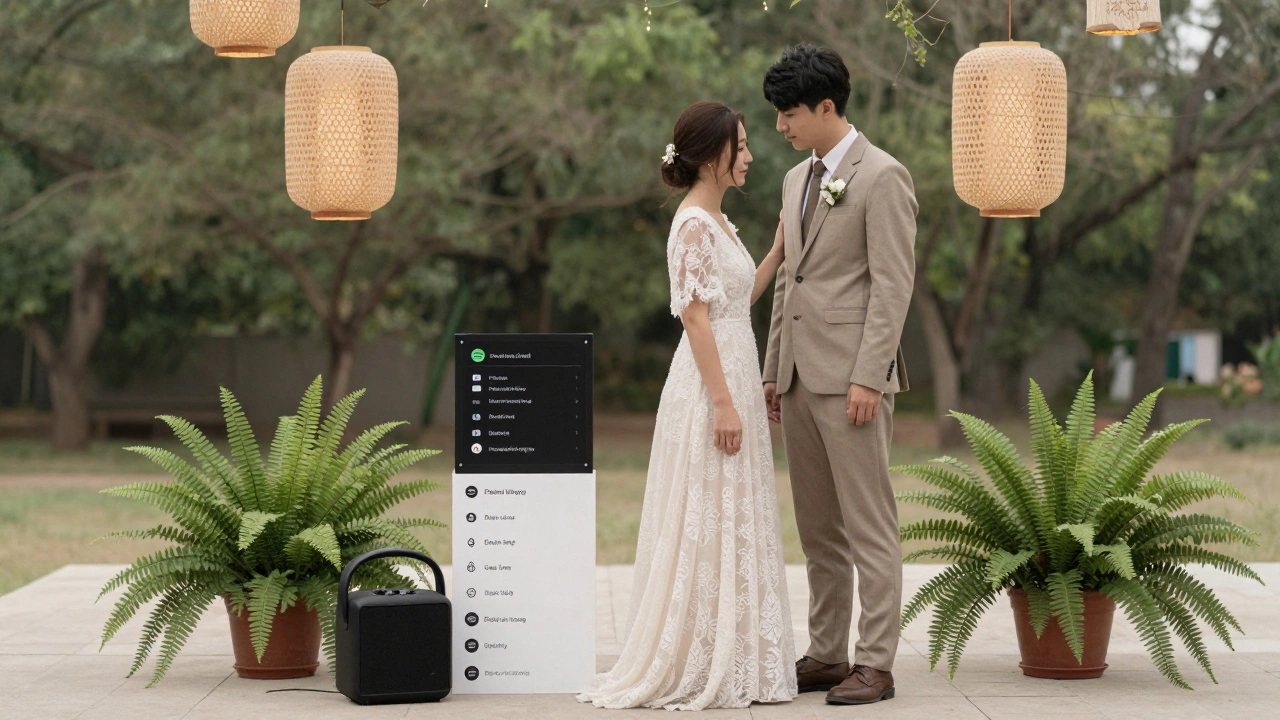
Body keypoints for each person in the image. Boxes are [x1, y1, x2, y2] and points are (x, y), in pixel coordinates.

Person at [577, 100, 797, 710]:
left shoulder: (720, 223)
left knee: (733, 512)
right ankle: (698, 654)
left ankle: (733, 649)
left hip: (733, 371)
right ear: (711, 155)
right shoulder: (692, 225)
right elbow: (696, 318)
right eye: (743, 146)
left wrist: (775, 253)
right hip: (710, 385)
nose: (751, 156)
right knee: (706, 509)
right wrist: (725, 404)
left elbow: (734, 301)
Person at [761, 44, 918, 706]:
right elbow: (788, 281)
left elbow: (892, 286)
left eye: (789, 113)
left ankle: (875, 662)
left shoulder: (883, 176)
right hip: (798, 379)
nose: (780, 126)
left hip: (853, 381)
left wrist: (869, 376)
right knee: (819, 528)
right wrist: (772, 369)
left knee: (868, 525)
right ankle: (827, 654)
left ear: (828, 107)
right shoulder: (798, 180)